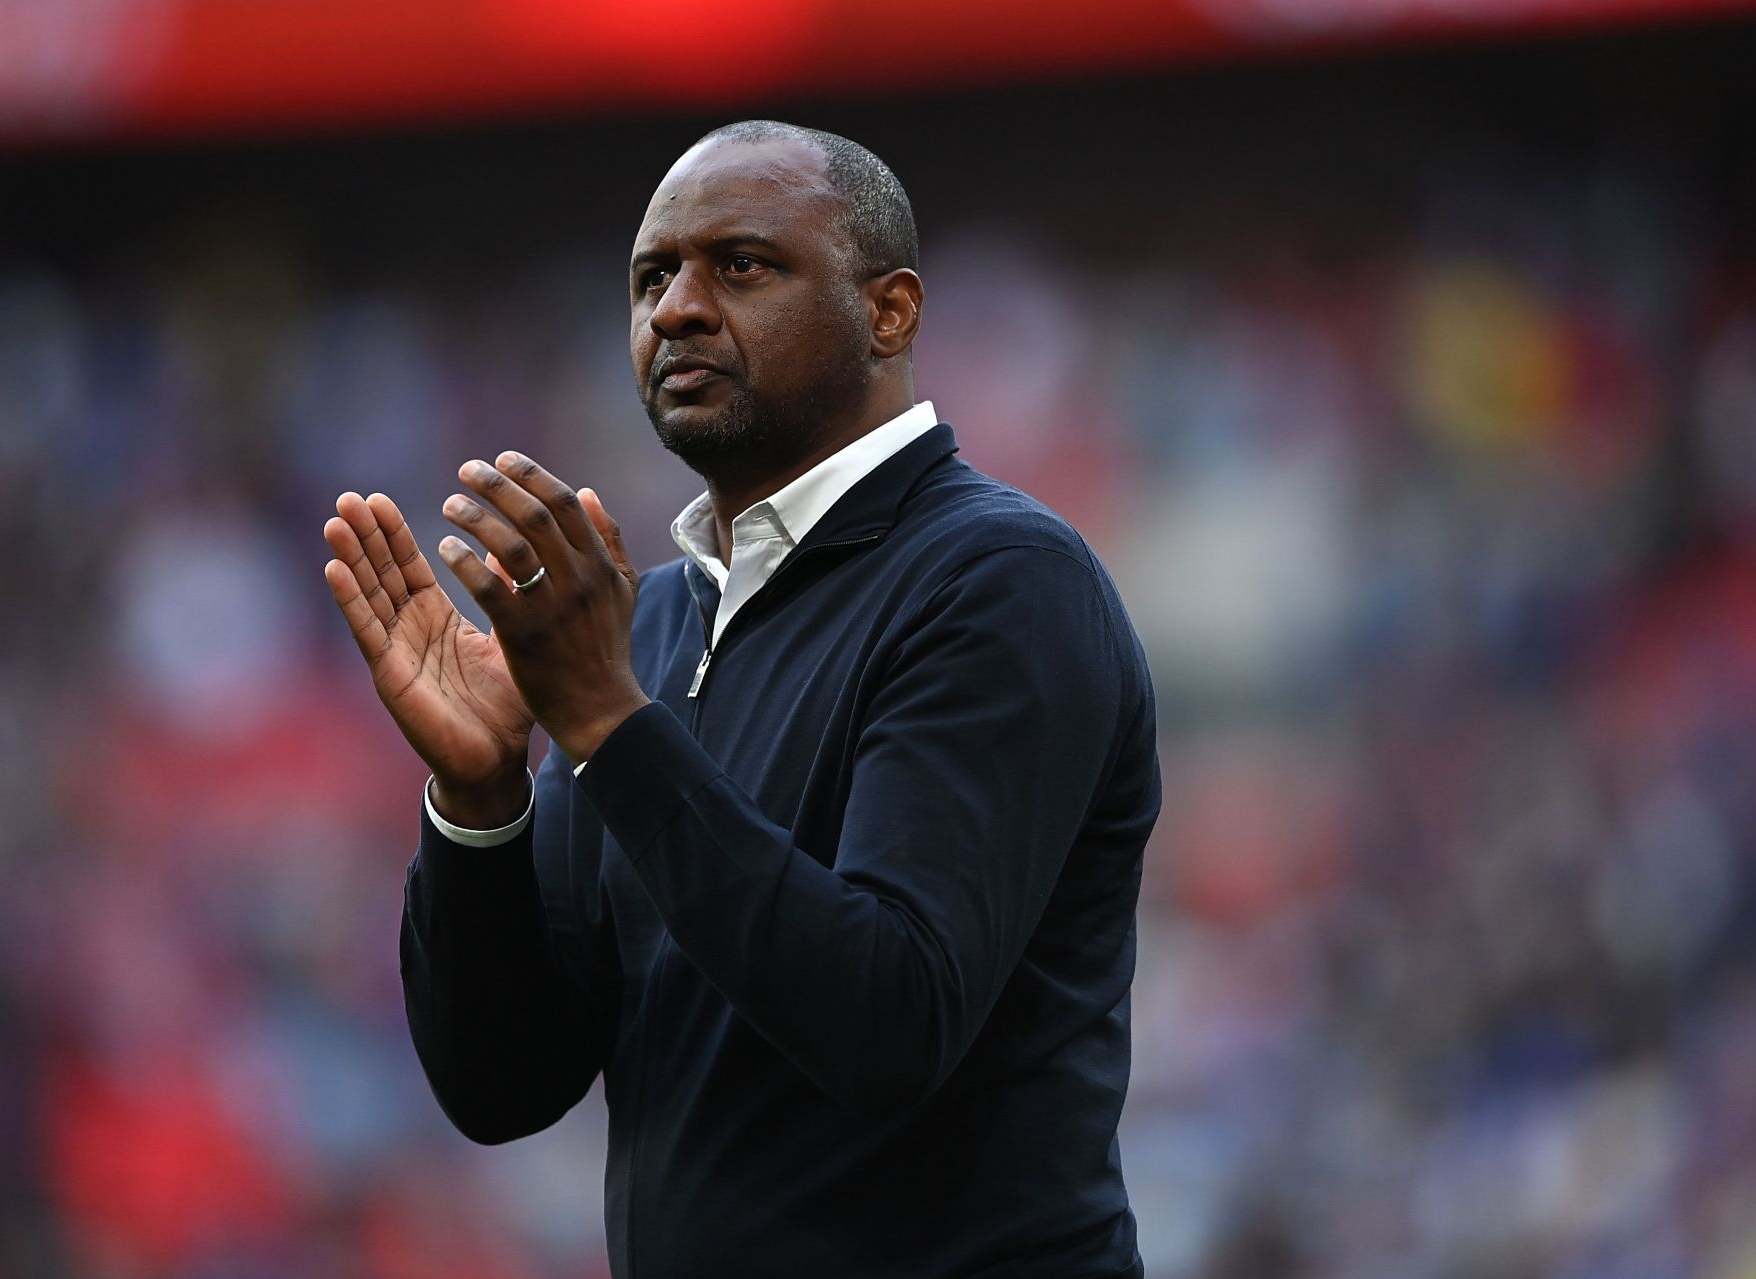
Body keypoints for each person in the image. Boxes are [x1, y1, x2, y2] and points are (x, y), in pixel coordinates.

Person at [321, 120, 1160, 1278]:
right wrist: (480, 801)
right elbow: (503, 1085)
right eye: (652, 276)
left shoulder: (1000, 581)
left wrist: (614, 725)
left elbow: (890, 1019)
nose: (677, 308)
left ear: (892, 311)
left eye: (743, 265)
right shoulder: (649, 622)